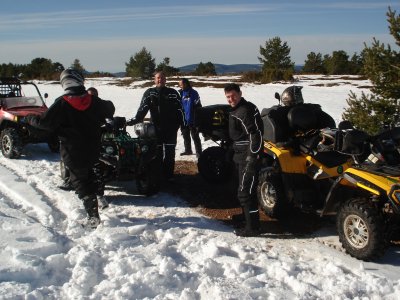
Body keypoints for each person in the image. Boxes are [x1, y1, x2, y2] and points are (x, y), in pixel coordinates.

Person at [26, 69, 115, 228]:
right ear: (79, 80)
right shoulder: (93, 100)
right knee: (90, 173)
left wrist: (30, 118)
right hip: (93, 147)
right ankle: (99, 199)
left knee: (80, 182)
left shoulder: (62, 102)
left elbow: (45, 123)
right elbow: (110, 108)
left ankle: (93, 218)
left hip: (72, 150)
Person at [127, 71, 185, 181]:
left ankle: (168, 176)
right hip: (155, 129)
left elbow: (180, 110)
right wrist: (134, 120)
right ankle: (156, 175)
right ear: (154, 80)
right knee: (155, 153)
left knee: (169, 153)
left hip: (171, 129)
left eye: (162, 78)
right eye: (158, 78)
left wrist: (183, 125)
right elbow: (142, 109)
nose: (160, 80)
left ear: (165, 80)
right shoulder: (150, 93)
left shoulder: (173, 93)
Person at [58, 86, 109, 210]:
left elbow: (108, 119)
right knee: (73, 163)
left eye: (94, 96)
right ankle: (68, 180)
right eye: (89, 95)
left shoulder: (97, 107)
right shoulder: (78, 107)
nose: (91, 98)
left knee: (95, 173)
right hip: (79, 146)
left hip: (96, 146)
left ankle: (100, 197)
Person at [225, 83, 263, 237]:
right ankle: (246, 217)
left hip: (248, 156)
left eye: (233, 95)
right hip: (239, 154)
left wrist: (252, 157)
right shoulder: (238, 109)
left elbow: (255, 135)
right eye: (228, 97)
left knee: (245, 192)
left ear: (240, 93)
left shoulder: (244, 111)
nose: (231, 99)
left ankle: (253, 227)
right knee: (242, 188)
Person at [178, 78, 202, 157]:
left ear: (186, 84)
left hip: (192, 119)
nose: (180, 86)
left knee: (195, 136)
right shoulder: (180, 93)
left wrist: (197, 118)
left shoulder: (194, 93)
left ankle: (199, 152)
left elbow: (198, 106)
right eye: (179, 84)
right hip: (183, 119)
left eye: (181, 84)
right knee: (185, 136)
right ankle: (188, 150)